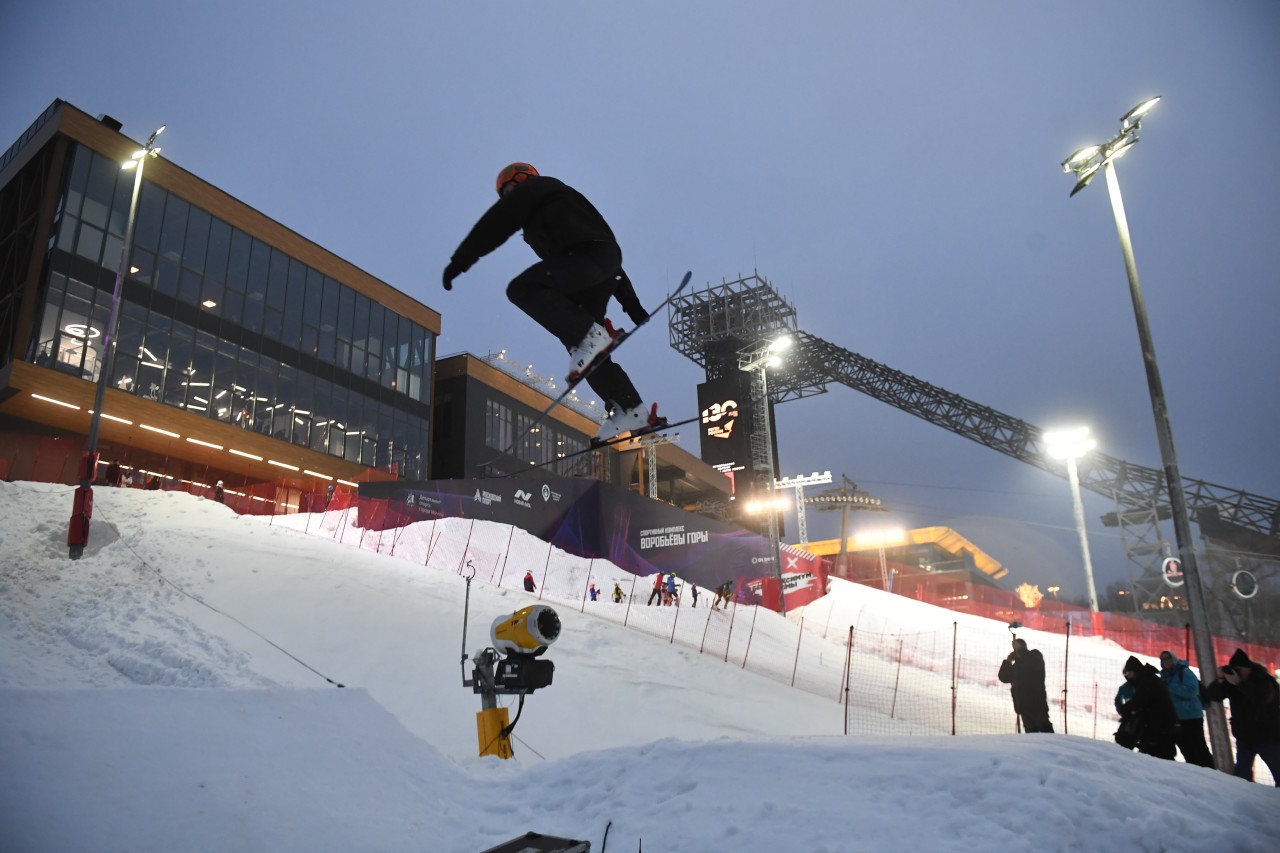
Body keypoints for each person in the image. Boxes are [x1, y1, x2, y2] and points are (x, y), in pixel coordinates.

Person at [442, 163, 664, 441]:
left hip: (589, 256)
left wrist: (462, 259)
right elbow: (610, 262)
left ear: (521, 180)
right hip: (595, 266)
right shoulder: (538, 216)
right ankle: (632, 409)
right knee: (584, 353)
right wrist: (632, 306)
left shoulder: (540, 188)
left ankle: (591, 335)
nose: (508, 200)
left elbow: (497, 222)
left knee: (522, 288)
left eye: (509, 192)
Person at [1203, 648, 1280, 785]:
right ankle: (1246, 799)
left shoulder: (1263, 680)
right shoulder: (1232, 682)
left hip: (1268, 737)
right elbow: (1213, 695)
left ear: (1248, 668)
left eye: (1239, 669)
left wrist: (1240, 684)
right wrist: (1222, 679)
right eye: (1234, 669)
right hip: (1244, 736)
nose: (1236, 672)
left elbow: (1262, 698)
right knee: (1241, 776)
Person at [1157, 649, 1214, 767]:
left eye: (1168, 658)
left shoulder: (1185, 672)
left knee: (1198, 747)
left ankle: (1209, 771)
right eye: (1163, 659)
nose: (1165, 661)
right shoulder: (1164, 676)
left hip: (1192, 716)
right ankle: (1195, 770)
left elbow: (1192, 691)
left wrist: (1171, 687)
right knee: (1186, 748)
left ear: (1173, 659)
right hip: (1177, 717)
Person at [1115, 656, 1178, 759]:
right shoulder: (1147, 679)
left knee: (1160, 754)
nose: (1128, 677)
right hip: (1159, 723)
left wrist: (1125, 709)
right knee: (1156, 752)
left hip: (1161, 724)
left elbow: (1139, 700)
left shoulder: (1147, 681)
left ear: (1135, 671)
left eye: (1129, 674)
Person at [997, 638, 1054, 733]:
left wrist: (1020, 650)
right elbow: (1003, 677)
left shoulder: (1035, 656)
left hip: (1036, 704)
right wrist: (1008, 661)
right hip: (1023, 705)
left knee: (1045, 729)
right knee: (1031, 732)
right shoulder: (1016, 667)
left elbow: (1030, 660)